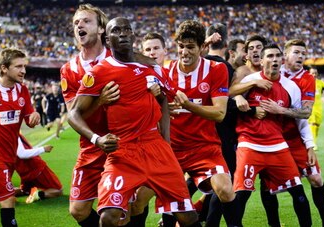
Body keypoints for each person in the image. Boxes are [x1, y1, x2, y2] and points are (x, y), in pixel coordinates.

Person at [68, 17, 201, 227]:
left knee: (187, 216)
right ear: (108, 41)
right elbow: (73, 113)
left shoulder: (152, 67)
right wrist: (97, 139)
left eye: (126, 29)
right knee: (109, 216)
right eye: (116, 30)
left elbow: (165, 99)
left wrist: (165, 140)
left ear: (132, 36)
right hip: (123, 150)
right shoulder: (99, 72)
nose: (122, 33)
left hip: (156, 148)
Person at [166, 20, 240, 227]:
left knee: (225, 189)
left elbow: (219, 113)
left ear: (201, 48)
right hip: (173, 149)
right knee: (143, 197)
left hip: (205, 147)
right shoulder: (166, 72)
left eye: (190, 47)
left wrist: (188, 105)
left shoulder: (217, 69)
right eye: (181, 47)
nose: (184, 52)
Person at [233, 43, 312, 227]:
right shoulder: (251, 79)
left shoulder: (290, 86)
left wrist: (281, 110)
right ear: (261, 61)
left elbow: (303, 114)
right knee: (241, 194)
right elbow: (227, 94)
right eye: (270, 56)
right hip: (249, 144)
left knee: (298, 191)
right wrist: (241, 96)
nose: (274, 59)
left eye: (277, 56)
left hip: (277, 145)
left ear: (281, 60)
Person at [260, 39, 324, 227]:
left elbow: (306, 112)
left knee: (316, 179)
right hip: (270, 138)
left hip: (294, 139)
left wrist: (308, 144)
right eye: (296, 52)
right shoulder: (271, 72)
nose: (301, 56)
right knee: (268, 186)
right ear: (285, 55)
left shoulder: (307, 78)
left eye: (303, 53)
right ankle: (274, 224)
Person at [60, 4, 120, 227]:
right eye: (76, 22)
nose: (79, 25)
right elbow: (74, 114)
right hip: (90, 145)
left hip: (120, 144)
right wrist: (101, 101)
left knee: (119, 211)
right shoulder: (69, 69)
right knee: (78, 210)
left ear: (101, 29)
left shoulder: (117, 59)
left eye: (86, 21)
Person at [0, 48, 40, 227]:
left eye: (25, 66)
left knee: (1, 197)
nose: (24, 71)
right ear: (4, 68)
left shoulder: (22, 90)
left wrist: (34, 116)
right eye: (18, 66)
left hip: (10, 156)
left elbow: (29, 120)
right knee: (8, 199)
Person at [14, 134, 63, 203]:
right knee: (58, 190)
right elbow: (22, 154)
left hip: (23, 171)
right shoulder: (11, 130)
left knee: (24, 191)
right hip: (35, 168)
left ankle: (4, 193)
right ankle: (37, 195)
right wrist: (43, 149)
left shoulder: (0, 134)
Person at [308, 67, 324, 151]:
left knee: (317, 125)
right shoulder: (305, 83)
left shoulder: (321, 83)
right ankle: (312, 144)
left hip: (318, 108)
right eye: (312, 73)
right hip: (310, 107)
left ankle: (313, 141)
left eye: (315, 73)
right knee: (313, 124)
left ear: (317, 74)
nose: (314, 75)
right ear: (309, 73)